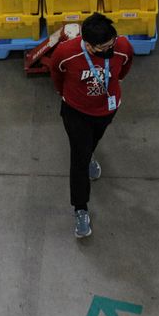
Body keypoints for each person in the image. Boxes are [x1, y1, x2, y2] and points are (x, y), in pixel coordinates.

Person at [50, 13, 134, 238]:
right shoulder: (66, 53)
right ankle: (80, 208)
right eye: (103, 47)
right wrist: (65, 95)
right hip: (76, 113)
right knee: (78, 160)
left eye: (111, 44)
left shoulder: (122, 46)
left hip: (107, 109)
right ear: (87, 44)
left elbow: (124, 69)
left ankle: (89, 154)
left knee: (91, 144)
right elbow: (56, 75)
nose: (109, 49)